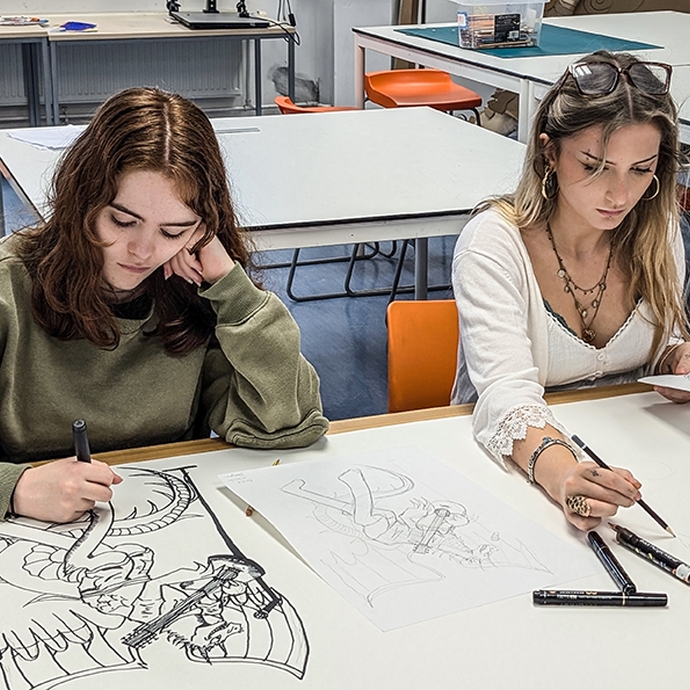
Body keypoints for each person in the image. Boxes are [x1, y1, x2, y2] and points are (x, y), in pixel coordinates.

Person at [0, 87, 329, 524]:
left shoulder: (194, 289)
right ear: (82, 200)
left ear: (201, 230)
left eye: (173, 231)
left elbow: (284, 426)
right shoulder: (9, 287)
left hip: (167, 529)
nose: (142, 250)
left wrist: (233, 291)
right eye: (121, 220)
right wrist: (15, 487)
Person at [451, 51, 690, 530]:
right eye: (595, 166)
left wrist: (676, 359)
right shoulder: (494, 244)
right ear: (549, 152)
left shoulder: (656, 229)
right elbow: (506, 397)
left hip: (640, 461)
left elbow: (661, 341)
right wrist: (564, 477)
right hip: (510, 473)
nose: (619, 195)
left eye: (641, 170)